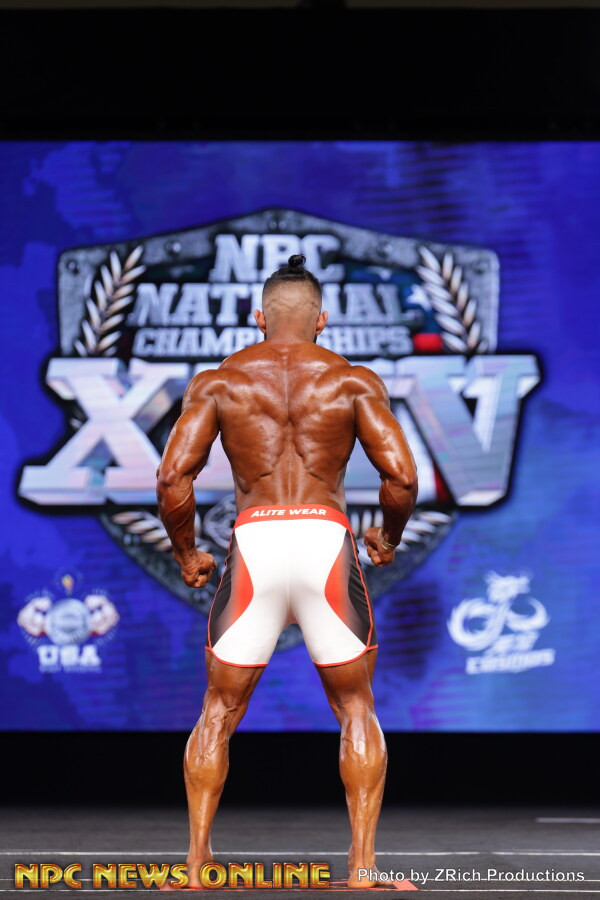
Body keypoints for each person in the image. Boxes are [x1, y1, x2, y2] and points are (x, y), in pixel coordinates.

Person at [156, 254, 418, 889]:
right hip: (325, 541)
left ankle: (196, 867)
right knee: (355, 706)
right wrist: (387, 537)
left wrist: (187, 552)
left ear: (258, 317)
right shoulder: (352, 381)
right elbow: (403, 476)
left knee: (219, 708)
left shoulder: (220, 382)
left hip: (257, 543)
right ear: (322, 320)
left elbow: (171, 478)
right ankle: (362, 869)